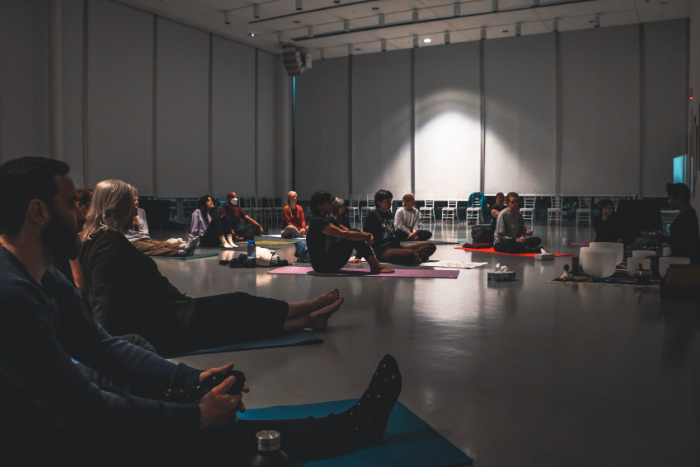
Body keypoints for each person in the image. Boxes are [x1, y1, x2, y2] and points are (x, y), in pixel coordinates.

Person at [0, 156, 404, 466]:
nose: (81, 214)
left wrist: (190, 377)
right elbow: (83, 411)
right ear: (38, 212)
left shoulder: (44, 278)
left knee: (186, 399)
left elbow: (101, 345)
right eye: (72, 204)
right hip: (41, 445)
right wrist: (195, 417)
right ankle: (347, 430)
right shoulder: (12, 296)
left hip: (57, 418)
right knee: (203, 438)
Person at [80, 180, 346, 354]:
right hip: (172, 324)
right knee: (239, 306)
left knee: (236, 318)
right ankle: (307, 309)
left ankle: (309, 318)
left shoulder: (98, 241)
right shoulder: (110, 247)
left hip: (171, 315)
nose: (135, 211)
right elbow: (104, 310)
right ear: (118, 208)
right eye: (131, 205)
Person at [307, 190, 394, 274]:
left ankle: (375, 265)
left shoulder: (329, 218)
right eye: (329, 202)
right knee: (352, 235)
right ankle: (376, 265)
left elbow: (347, 230)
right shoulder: (317, 221)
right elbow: (345, 235)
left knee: (354, 232)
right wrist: (367, 236)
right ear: (319, 205)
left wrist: (364, 235)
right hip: (322, 266)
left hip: (328, 261)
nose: (333, 204)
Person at [363, 190, 436, 265]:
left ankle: (415, 257)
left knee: (430, 246)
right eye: (387, 202)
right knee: (409, 254)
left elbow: (393, 232)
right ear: (379, 202)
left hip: (396, 246)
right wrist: (359, 255)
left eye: (390, 201)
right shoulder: (372, 215)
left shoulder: (389, 214)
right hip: (383, 250)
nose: (390, 204)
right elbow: (364, 236)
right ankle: (416, 256)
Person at [643, 183, 700, 263]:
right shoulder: (688, 214)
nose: (668, 201)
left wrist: (659, 236)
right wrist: (659, 236)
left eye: (669, 198)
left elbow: (679, 242)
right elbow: (679, 239)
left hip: (683, 261)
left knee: (648, 262)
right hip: (683, 259)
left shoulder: (686, 216)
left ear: (678, 199)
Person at [128, 195, 200, 256]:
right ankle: (181, 251)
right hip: (133, 241)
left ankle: (185, 246)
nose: (137, 202)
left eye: (137, 200)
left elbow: (145, 227)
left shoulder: (141, 211)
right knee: (153, 248)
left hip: (144, 238)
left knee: (160, 244)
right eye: (134, 200)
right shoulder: (124, 213)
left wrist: (145, 236)